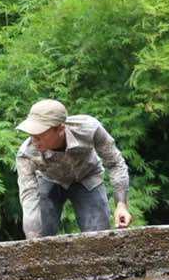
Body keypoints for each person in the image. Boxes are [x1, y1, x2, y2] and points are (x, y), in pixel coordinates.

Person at [16, 99, 132, 239]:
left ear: (60, 128)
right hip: (48, 179)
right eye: (30, 133)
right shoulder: (26, 154)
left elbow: (115, 163)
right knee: (38, 233)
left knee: (98, 238)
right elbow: (29, 197)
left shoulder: (89, 129)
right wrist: (32, 238)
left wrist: (121, 205)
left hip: (87, 177)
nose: (33, 139)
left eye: (39, 133)